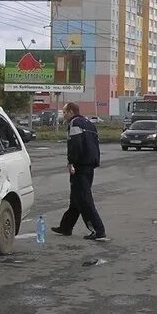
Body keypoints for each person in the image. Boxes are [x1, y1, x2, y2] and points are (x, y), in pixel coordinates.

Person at [53, 102, 107, 240]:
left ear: (71, 112)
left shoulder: (75, 123)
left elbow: (75, 144)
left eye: (65, 112)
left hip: (80, 165)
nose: (64, 115)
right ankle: (66, 227)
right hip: (89, 164)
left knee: (84, 199)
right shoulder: (89, 124)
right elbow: (95, 144)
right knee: (76, 199)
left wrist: (71, 162)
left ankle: (98, 230)